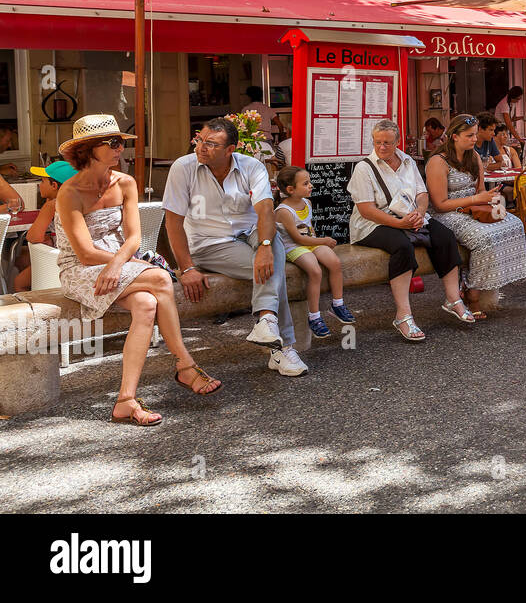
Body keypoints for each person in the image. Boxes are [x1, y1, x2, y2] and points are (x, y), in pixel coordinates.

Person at [59, 115, 221, 426]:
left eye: (121, 142)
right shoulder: (70, 192)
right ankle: (186, 366)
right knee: (161, 277)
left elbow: (134, 237)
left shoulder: (126, 182)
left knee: (147, 304)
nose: (120, 148)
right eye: (113, 143)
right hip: (80, 268)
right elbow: (83, 252)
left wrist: (119, 263)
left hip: (118, 264)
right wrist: (119, 263)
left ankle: (125, 401)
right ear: (89, 149)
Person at [164, 117, 306, 376]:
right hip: (210, 244)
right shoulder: (183, 167)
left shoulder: (252, 166)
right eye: (199, 140)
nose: (201, 147)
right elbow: (173, 222)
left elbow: (265, 211)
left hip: (250, 233)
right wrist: (186, 268)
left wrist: (263, 245)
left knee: (271, 247)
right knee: (273, 267)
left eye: (210, 144)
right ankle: (282, 347)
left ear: (230, 150)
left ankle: (268, 324)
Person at [348, 120, 464, 340]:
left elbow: (422, 194)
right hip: (373, 224)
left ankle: (453, 298)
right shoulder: (364, 168)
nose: (382, 147)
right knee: (402, 246)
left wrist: (420, 213)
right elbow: (366, 210)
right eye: (378, 142)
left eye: (388, 143)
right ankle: (403, 315)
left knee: (445, 236)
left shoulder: (408, 161)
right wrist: (400, 224)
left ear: (398, 142)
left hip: (409, 217)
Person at [427, 114, 526, 319]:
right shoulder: (437, 162)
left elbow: (481, 189)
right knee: (484, 238)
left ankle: (488, 285)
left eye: (475, 134)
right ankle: (472, 293)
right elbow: (439, 205)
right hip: (448, 214)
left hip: (474, 207)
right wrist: (476, 199)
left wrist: (490, 199)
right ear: (454, 136)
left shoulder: (473, 156)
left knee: (515, 224)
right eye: (469, 135)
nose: (475, 139)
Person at [275, 166, 353, 340]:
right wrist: (323, 241)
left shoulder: (307, 203)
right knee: (315, 270)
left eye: (309, 182)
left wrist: (320, 244)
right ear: (290, 189)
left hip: (309, 242)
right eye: (305, 183)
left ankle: (337, 304)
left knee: (334, 262)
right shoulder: (284, 212)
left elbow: (309, 232)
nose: (311, 185)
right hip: (292, 247)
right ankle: (314, 315)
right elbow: (298, 239)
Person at [11, 159, 74, 292]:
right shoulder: (80, 200)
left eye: (42, 181)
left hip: (60, 260)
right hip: (75, 255)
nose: (39, 185)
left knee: (19, 282)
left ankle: (34, 310)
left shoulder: (52, 205)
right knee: (23, 258)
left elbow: (33, 237)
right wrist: (52, 239)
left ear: (54, 186)